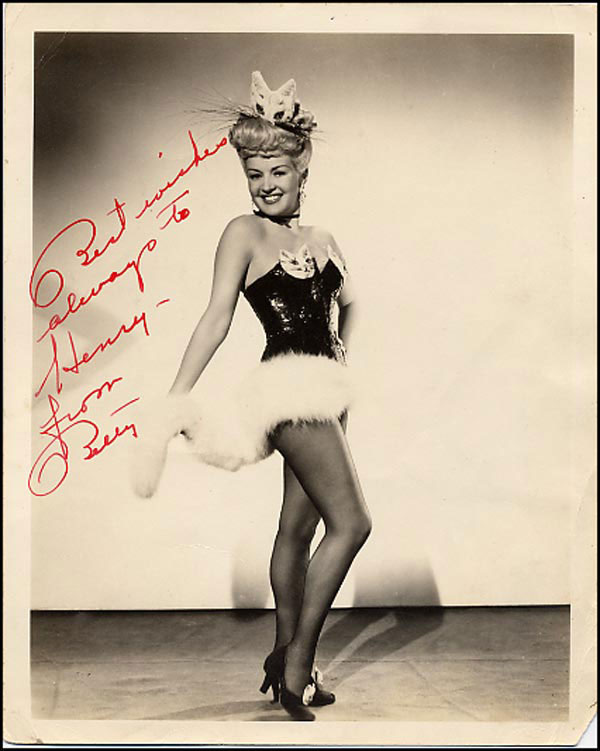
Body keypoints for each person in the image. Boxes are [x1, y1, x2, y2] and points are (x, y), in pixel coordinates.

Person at [133, 72, 372, 721]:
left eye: (277, 171)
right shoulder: (244, 231)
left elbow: (351, 303)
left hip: (328, 394)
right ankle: (298, 664)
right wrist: (175, 399)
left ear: (303, 166)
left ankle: (282, 656)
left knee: (299, 527)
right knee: (354, 524)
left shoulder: (322, 239)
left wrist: (343, 360)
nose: (265, 184)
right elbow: (216, 317)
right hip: (287, 391)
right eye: (254, 173)